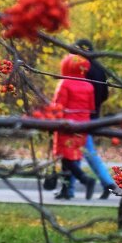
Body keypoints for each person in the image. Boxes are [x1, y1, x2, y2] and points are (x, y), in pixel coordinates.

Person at [76, 39, 117, 199]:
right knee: (78, 150)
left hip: (81, 115)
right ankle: (70, 187)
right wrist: (96, 105)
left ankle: (107, 183)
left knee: (86, 151)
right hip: (94, 115)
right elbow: (105, 94)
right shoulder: (99, 69)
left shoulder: (81, 70)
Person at [52, 53, 96, 200]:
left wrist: (51, 122)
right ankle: (65, 190)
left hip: (66, 125)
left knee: (66, 158)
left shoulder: (65, 83)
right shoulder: (89, 86)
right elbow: (91, 108)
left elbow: (58, 106)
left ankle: (85, 180)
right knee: (71, 157)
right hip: (82, 126)